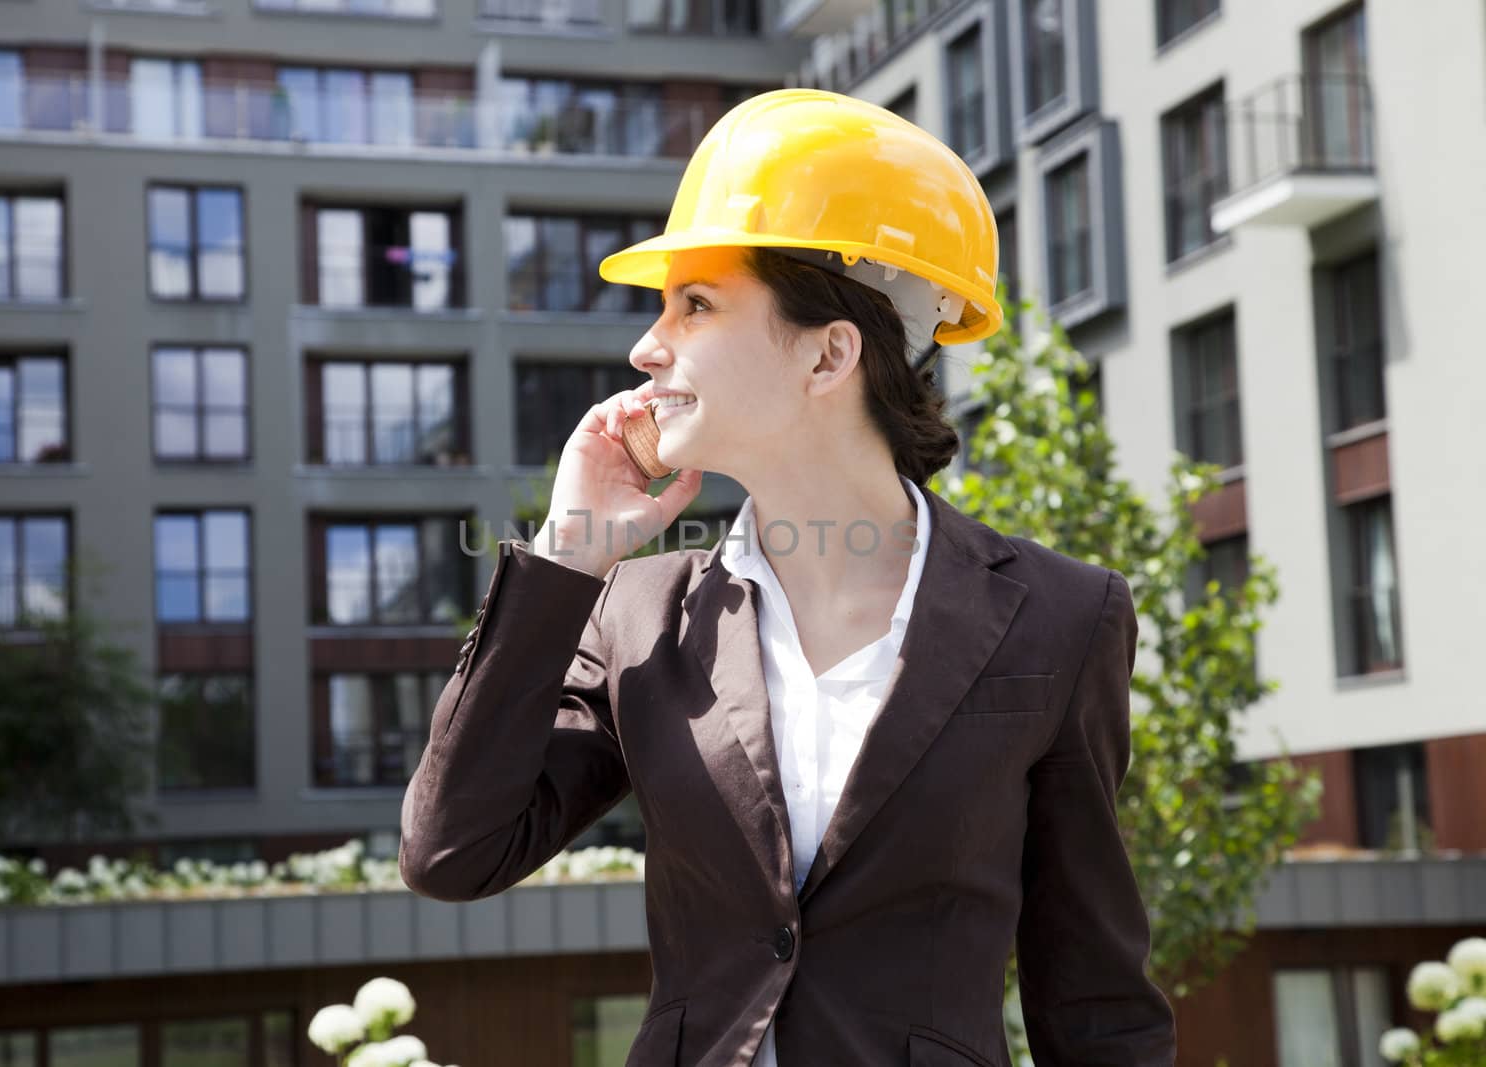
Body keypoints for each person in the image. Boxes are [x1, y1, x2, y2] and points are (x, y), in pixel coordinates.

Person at [400, 89, 1176, 1066]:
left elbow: (1097, 1006)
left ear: (827, 352)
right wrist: (568, 552)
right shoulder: (638, 613)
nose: (646, 347)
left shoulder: (1061, 618)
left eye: (695, 303)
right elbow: (450, 852)